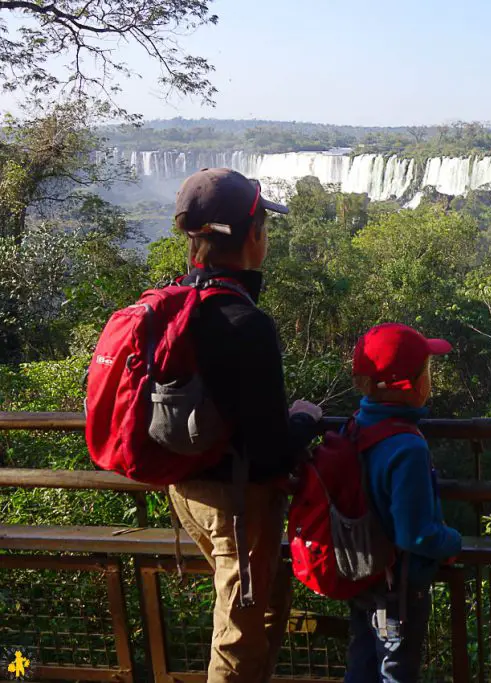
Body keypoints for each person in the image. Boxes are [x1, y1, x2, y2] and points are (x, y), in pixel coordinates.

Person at [167, 167, 323, 683]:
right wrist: (302, 421)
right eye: (264, 226)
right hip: (233, 502)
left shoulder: (178, 302)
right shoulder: (245, 322)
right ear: (254, 235)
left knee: (265, 600)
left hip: (184, 487)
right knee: (235, 634)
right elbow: (272, 451)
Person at [345, 323, 462, 683]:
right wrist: (452, 541)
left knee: (363, 664)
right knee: (395, 672)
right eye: (427, 370)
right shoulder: (407, 447)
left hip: (361, 573)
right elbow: (415, 534)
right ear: (409, 384)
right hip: (398, 588)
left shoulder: (354, 427)